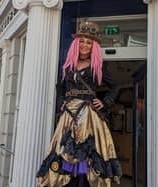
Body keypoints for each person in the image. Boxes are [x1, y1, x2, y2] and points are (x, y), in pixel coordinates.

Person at [36, 21, 122, 187]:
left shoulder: (98, 67)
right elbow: (59, 87)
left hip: (88, 117)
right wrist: (61, 102)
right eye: (82, 41)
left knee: (87, 156)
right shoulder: (68, 66)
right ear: (76, 43)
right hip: (68, 116)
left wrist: (105, 102)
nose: (84, 45)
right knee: (64, 154)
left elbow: (116, 86)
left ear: (93, 47)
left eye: (89, 42)